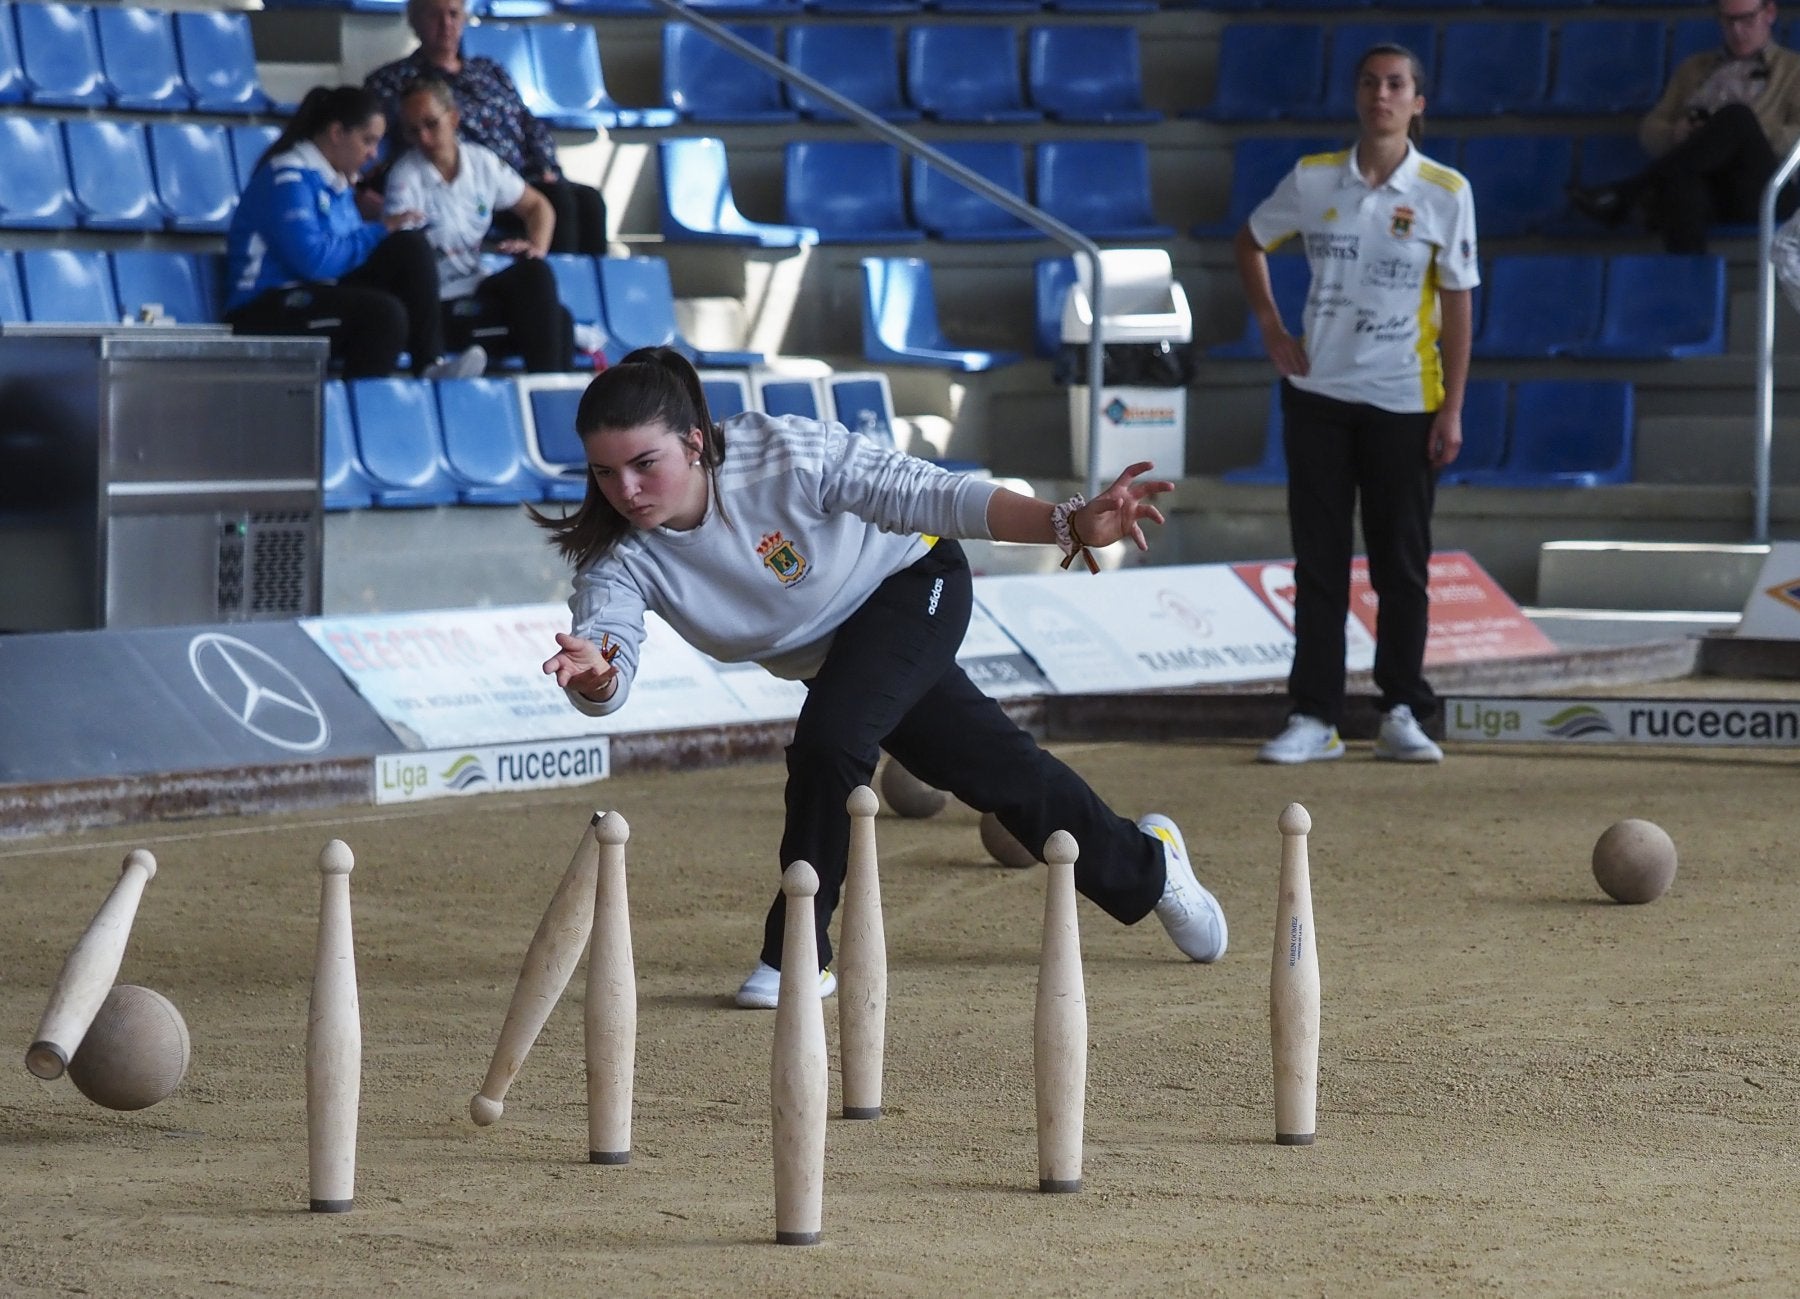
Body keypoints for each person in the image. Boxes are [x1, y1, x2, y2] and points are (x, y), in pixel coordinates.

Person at [536, 347, 1229, 1008]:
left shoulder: (780, 453)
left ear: (694, 442)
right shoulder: (616, 559)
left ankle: (798, 951)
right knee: (999, 772)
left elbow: (924, 492)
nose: (624, 489)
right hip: (842, 660)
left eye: (643, 463)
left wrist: (1066, 521)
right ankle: (1154, 865)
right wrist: (596, 676)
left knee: (830, 743)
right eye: (603, 472)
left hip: (912, 582)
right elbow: (606, 652)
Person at [1231, 44, 1477, 766]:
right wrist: (1273, 328)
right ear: (1356, 95)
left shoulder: (1444, 191)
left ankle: (1402, 708)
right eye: (1370, 82)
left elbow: (1460, 306)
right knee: (1319, 562)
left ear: (1418, 101)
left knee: (1402, 563)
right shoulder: (1313, 180)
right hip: (1317, 397)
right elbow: (1249, 242)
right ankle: (1315, 714)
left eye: (1396, 84)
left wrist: (1453, 407)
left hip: (1406, 400)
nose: (1382, 95)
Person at [223, 84, 486, 380]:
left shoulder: (337, 181)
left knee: (409, 246)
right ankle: (359, 416)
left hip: (317, 294)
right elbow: (313, 261)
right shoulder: (288, 177)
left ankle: (430, 364)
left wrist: (390, 233)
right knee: (384, 315)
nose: (374, 154)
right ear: (337, 134)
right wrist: (378, 231)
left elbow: (348, 251)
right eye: (368, 141)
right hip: (266, 306)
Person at [364, 0, 608, 256]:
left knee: (590, 201)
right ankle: (558, 282)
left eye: (453, 14)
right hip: (467, 187)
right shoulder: (393, 82)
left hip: (523, 177)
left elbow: (528, 123)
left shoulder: (490, 70)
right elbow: (376, 142)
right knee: (559, 201)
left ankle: (593, 291)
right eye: (434, 16)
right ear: (415, 22)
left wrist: (546, 166)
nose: (445, 24)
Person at [1569, 0, 1800, 252]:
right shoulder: (1693, 69)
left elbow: (1796, 138)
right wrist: (1676, 133)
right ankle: (1689, 283)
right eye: (1728, 21)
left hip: (1765, 187)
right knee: (1680, 182)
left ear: (1769, 14)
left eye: (1747, 20)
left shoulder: (1793, 69)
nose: (1737, 31)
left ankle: (1627, 193)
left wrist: (1738, 132)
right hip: (1709, 184)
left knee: (1737, 117)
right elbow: (1650, 128)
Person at [386, 76, 575, 373]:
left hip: (476, 282)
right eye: (413, 131)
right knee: (555, 320)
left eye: (431, 124)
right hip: (439, 301)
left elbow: (539, 206)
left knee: (536, 274)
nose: (423, 138)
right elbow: (401, 249)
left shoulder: (481, 162)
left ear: (453, 118)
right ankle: (547, 390)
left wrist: (535, 246)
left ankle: (547, 392)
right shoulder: (405, 177)